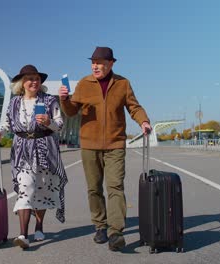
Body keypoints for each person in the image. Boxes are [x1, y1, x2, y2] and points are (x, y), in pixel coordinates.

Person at [58, 47, 151, 252]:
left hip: (115, 144)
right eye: (93, 62)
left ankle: (115, 231)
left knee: (115, 186)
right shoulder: (84, 83)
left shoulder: (122, 83)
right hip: (89, 145)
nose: (95, 66)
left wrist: (143, 122)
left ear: (110, 64)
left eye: (100, 63)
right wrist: (64, 99)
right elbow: (72, 111)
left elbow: (134, 107)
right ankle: (100, 225)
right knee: (94, 188)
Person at [0, 64, 68, 249]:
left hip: (45, 149)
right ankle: (23, 234)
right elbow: (7, 123)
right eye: (30, 79)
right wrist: (0, 133)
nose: (34, 82)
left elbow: (60, 124)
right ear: (22, 83)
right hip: (22, 150)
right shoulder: (15, 102)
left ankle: (39, 226)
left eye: (36, 79)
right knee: (25, 187)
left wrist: (49, 122)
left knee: (41, 189)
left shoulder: (49, 101)